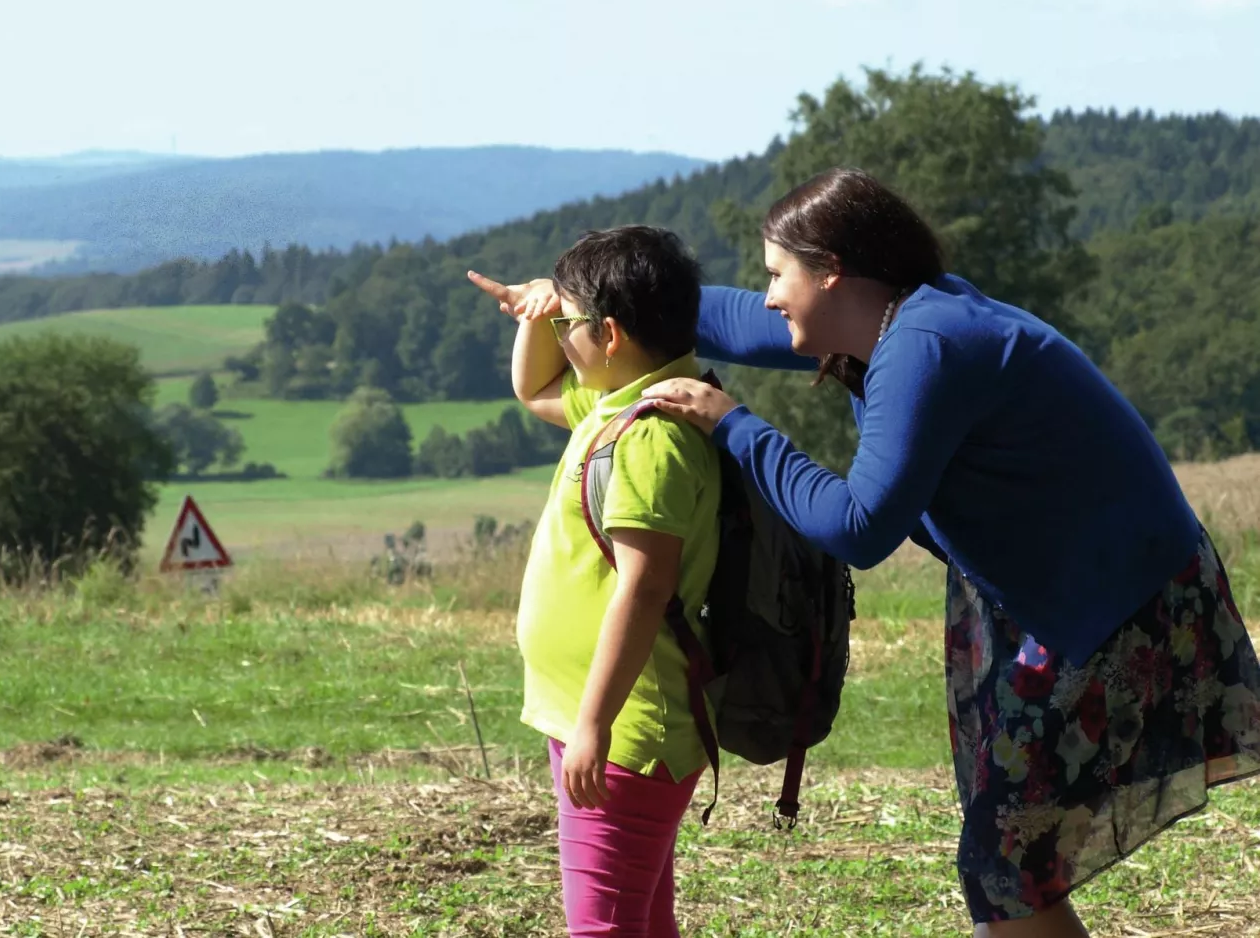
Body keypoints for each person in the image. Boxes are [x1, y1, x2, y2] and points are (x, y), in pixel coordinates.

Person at [621, 167, 1260, 936]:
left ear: (831, 270)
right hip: (1058, 591)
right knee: (1008, 859)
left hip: (1113, 603)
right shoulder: (888, 321)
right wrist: (595, 298)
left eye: (776, 273)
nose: (767, 295)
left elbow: (859, 526)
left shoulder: (926, 345)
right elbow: (722, 317)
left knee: (1004, 860)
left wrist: (734, 426)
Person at [467, 224, 720, 938]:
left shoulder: (650, 438)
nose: (562, 337)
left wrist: (594, 723)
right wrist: (543, 314)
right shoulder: (618, 404)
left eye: (571, 325)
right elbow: (534, 386)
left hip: (625, 731)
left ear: (609, 334)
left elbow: (644, 590)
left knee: (601, 928)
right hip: (605, 723)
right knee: (640, 921)